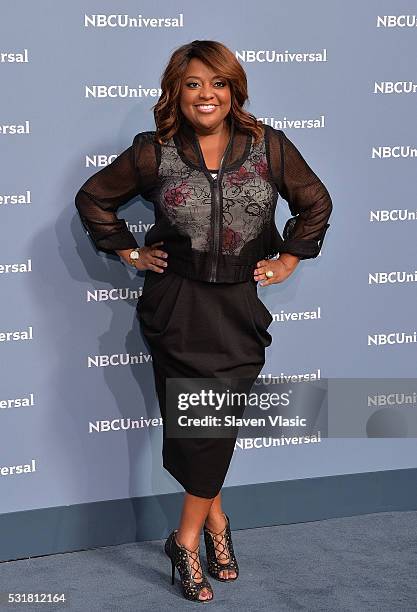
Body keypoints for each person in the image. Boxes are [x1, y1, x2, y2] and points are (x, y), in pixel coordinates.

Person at [75, 39, 332, 603]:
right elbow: (94, 198)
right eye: (193, 84)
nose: (206, 95)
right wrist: (129, 252)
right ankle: (195, 537)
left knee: (213, 424)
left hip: (238, 306)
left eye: (217, 83)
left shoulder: (268, 147)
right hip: (178, 305)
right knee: (199, 427)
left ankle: (198, 529)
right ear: (177, 92)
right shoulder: (154, 151)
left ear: (234, 89)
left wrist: (290, 256)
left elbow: (315, 202)